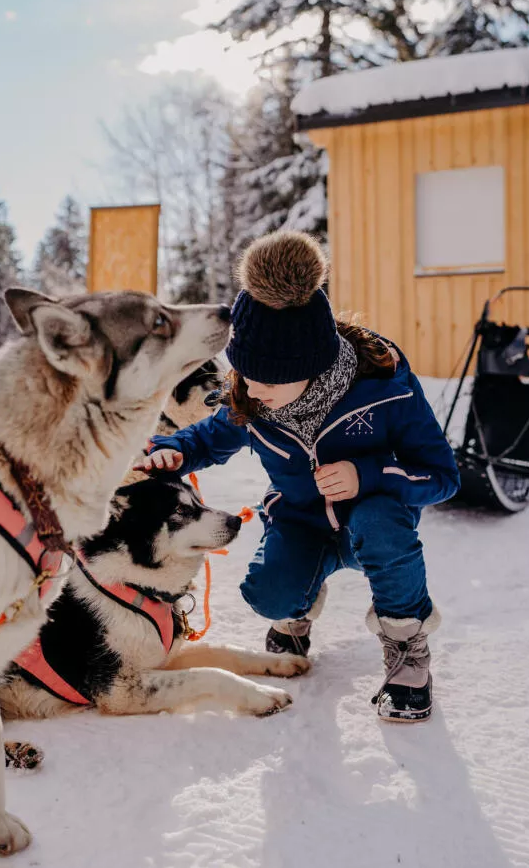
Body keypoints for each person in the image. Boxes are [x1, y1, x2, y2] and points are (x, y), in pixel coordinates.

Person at [140, 231, 459, 722]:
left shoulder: (383, 389)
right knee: (268, 595)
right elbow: (207, 437)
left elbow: (442, 475)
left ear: (312, 366)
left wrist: (366, 473)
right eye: (243, 375)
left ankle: (407, 652)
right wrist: (171, 453)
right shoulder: (255, 398)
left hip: (372, 525)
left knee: (379, 525)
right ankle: (301, 602)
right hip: (303, 522)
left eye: (264, 381)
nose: (249, 390)